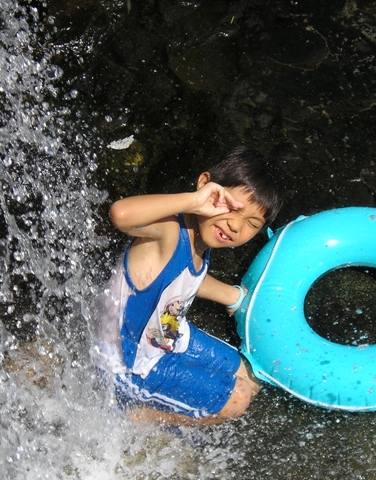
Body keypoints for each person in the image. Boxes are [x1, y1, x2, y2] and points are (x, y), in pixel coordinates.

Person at [95, 147, 283, 426]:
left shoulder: (200, 242)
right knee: (237, 400)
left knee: (247, 374)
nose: (235, 225)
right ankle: (139, 419)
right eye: (231, 207)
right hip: (128, 364)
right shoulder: (169, 231)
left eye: (252, 223)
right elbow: (121, 214)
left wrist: (232, 296)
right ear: (205, 184)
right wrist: (193, 201)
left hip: (166, 334)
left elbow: (186, 279)